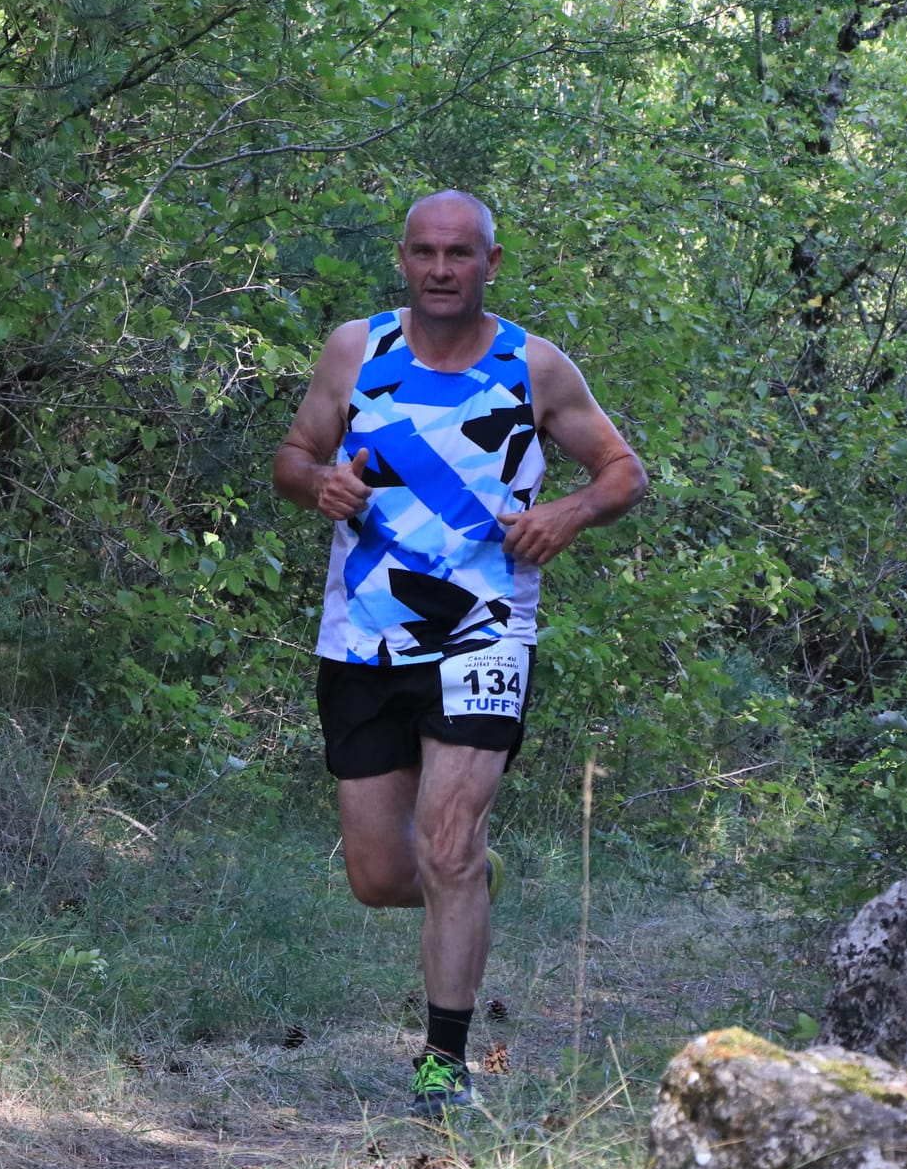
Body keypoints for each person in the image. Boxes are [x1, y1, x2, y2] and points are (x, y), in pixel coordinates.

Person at [272, 190, 646, 1114]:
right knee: (380, 876)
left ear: (491, 262)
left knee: (447, 841)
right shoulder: (356, 349)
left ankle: (443, 1064)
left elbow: (622, 471)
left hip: (485, 629)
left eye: (461, 253)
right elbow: (294, 456)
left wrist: (569, 511)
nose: (442, 269)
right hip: (365, 635)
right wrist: (319, 484)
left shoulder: (533, 365)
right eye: (426, 252)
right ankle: (472, 877)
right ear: (403, 257)